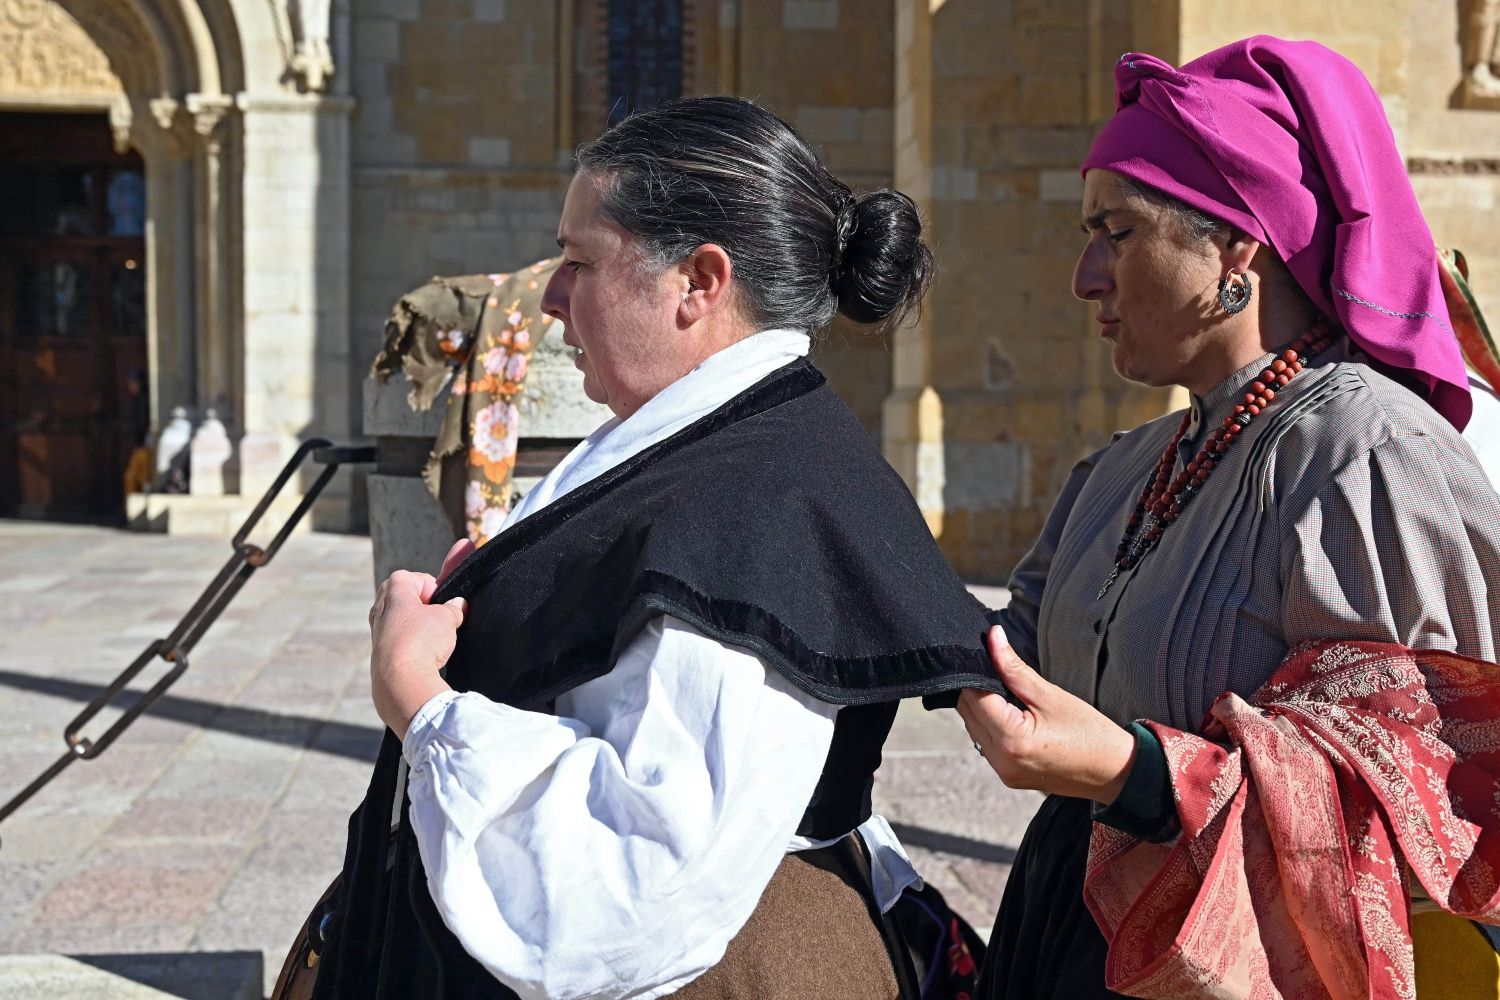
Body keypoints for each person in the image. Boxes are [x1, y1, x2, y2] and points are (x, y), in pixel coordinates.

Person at [306, 97, 1004, 1000]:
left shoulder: (754, 503)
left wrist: (418, 694)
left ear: (698, 283)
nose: (551, 297)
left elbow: (638, 878)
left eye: (580, 260)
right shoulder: (709, 443)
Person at [953, 37, 1500, 999]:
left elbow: (1425, 802)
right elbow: (1014, 644)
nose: (1086, 278)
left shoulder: (1367, 458)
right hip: (1062, 940)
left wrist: (1138, 774)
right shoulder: (1126, 470)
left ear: (1236, 244)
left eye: (1116, 233)